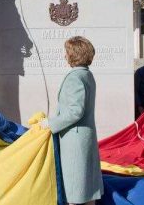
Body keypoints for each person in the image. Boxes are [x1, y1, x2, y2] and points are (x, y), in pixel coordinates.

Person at [40, 36, 103, 205]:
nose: (64, 55)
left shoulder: (75, 77)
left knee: (75, 188)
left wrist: (50, 124)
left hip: (74, 140)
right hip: (83, 135)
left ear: (74, 54)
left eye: (67, 52)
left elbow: (75, 112)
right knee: (85, 188)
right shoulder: (86, 75)